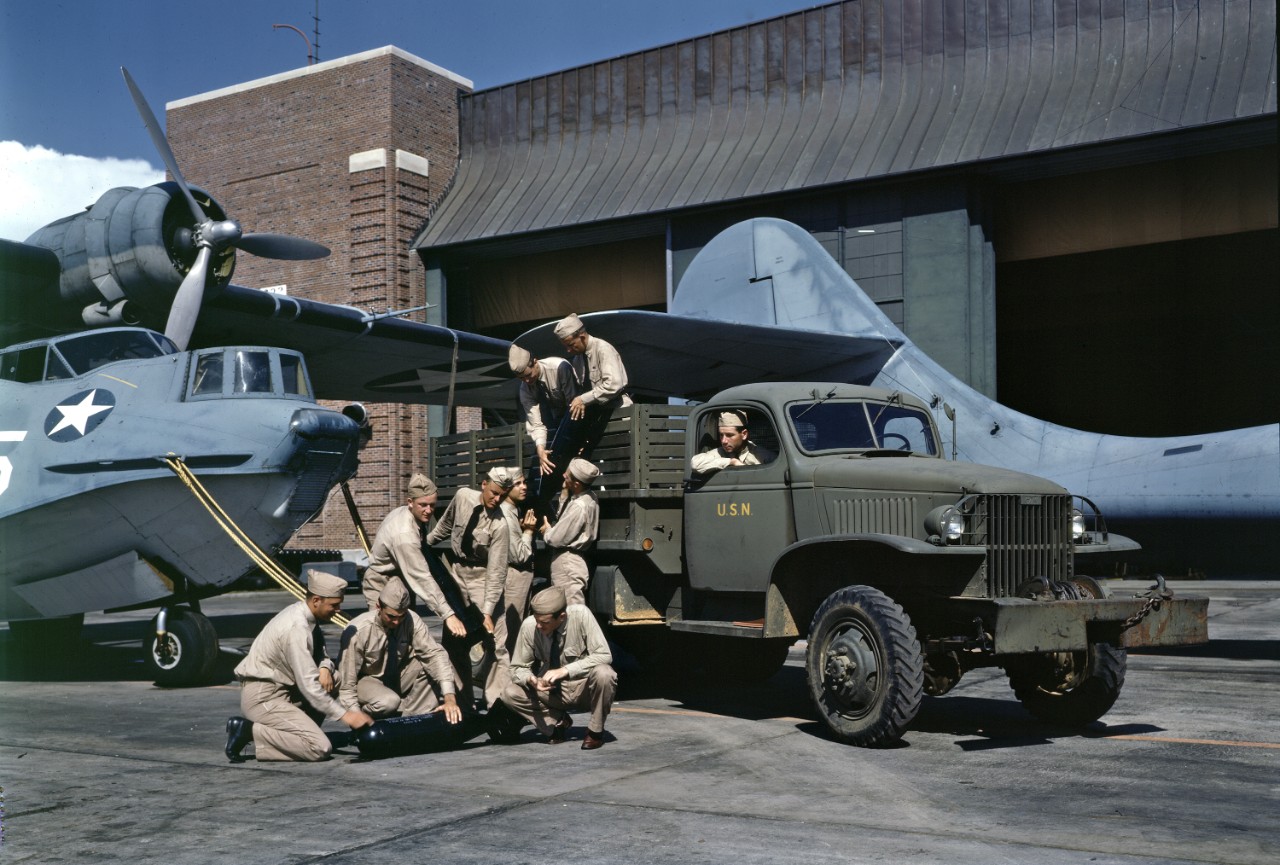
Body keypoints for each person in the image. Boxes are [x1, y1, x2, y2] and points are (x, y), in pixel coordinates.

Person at [224, 570, 373, 762]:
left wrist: (325, 667)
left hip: (284, 690)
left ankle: (300, 734)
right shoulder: (296, 628)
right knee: (319, 747)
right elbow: (309, 686)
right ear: (316, 600)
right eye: (334, 605)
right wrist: (346, 716)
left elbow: (321, 653)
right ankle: (248, 731)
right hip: (264, 698)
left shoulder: (306, 615)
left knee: (334, 679)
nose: (338, 610)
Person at [425, 467, 513, 708]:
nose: (497, 500)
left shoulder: (500, 526)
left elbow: (497, 573)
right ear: (484, 484)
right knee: (455, 641)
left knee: (495, 643)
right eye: (494, 493)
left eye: (502, 497)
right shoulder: (463, 496)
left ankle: (497, 703)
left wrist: (487, 612)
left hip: (482, 579)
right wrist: (423, 545)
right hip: (457, 574)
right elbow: (444, 526)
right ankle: (462, 703)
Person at [499, 586, 617, 750]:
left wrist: (566, 670)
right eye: (537, 620)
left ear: (561, 616)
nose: (539, 626)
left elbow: (604, 655)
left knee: (605, 673)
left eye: (544, 622)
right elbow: (517, 668)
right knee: (509, 693)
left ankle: (595, 732)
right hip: (551, 692)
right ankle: (556, 723)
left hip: (583, 689)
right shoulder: (530, 626)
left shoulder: (581, 615)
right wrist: (531, 680)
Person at [336, 579, 462, 723]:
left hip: (397, 674)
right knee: (389, 701)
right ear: (378, 607)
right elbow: (347, 684)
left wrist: (449, 698)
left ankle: (410, 719)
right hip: (367, 680)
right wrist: (355, 716)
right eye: (391, 616)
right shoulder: (359, 630)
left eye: (401, 616)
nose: (396, 622)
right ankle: (372, 717)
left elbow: (434, 655)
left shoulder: (410, 619)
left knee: (436, 662)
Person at [361, 473, 468, 642]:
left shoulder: (408, 515)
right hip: (382, 582)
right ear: (410, 502)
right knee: (379, 639)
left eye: (432, 505)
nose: (428, 510)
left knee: (404, 638)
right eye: (423, 505)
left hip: (401, 579)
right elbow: (421, 577)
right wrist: (448, 615)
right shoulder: (405, 535)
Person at [508, 344, 579, 480]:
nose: (527, 380)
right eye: (522, 378)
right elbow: (536, 423)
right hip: (557, 421)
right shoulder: (525, 389)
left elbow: (574, 404)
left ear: (535, 361)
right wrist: (540, 448)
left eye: (528, 375)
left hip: (579, 417)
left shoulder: (560, 367)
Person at [540, 458, 600, 607]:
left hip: (567, 562)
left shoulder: (578, 506)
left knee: (571, 612)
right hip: (573, 561)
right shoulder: (589, 497)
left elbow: (555, 539)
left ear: (577, 484)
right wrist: (565, 493)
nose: (563, 476)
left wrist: (547, 530)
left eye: (567, 476)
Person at [690, 410, 776, 477]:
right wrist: (732, 462)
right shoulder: (719, 452)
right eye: (721, 435)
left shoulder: (762, 455)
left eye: (729, 435)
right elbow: (696, 464)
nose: (724, 441)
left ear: (744, 434)